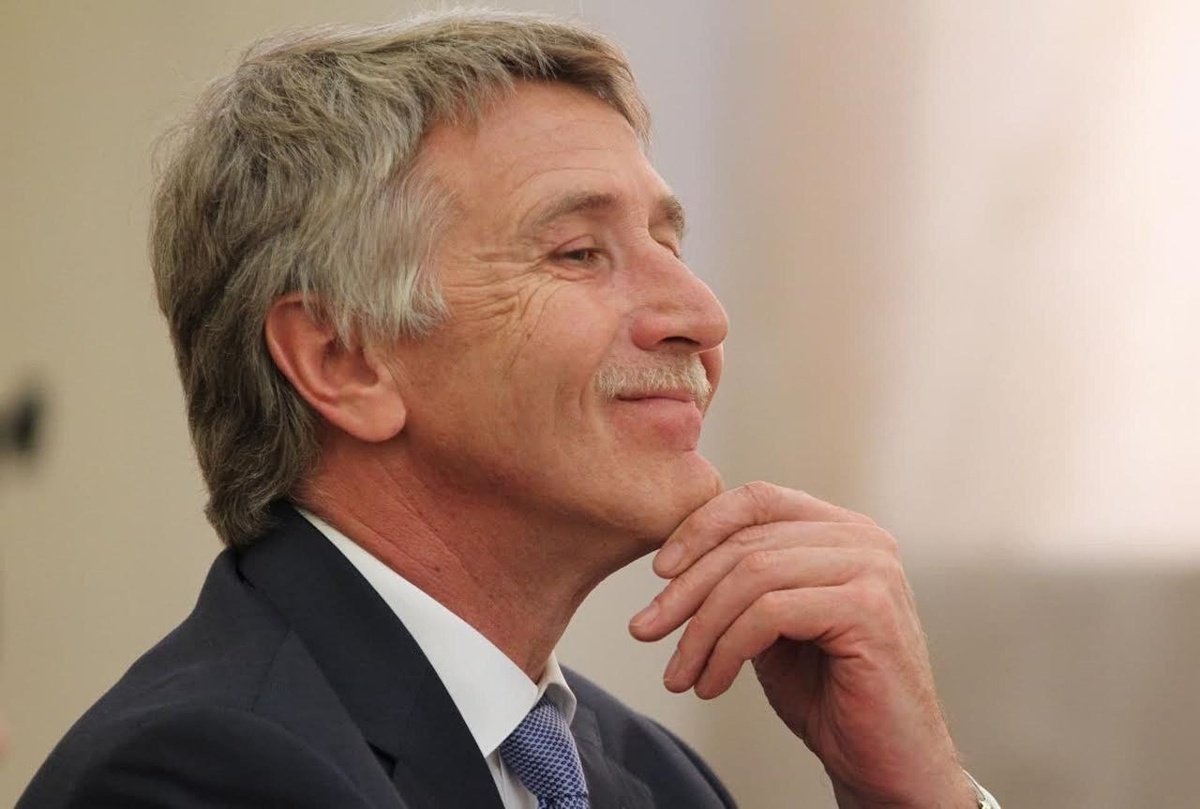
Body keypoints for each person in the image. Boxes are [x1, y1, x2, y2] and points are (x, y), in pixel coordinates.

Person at [19, 10, 999, 808]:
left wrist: (915, 796)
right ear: (343, 359)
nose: (701, 316)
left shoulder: (653, 776)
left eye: (669, 245)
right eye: (579, 253)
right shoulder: (203, 772)